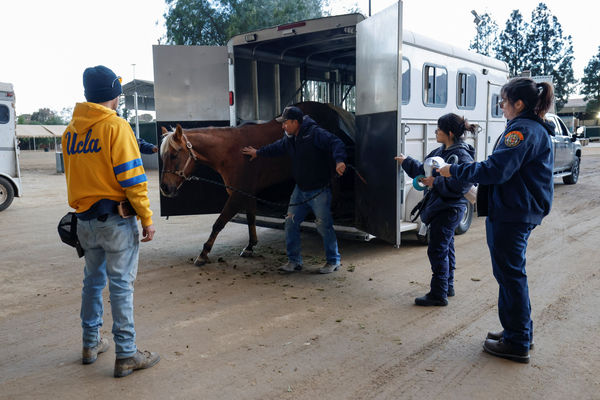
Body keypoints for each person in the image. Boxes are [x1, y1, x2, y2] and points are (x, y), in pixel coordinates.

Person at [438, 77, 555, 363]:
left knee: (511, 276)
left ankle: (517, 341)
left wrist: (454, 171)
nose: (500, 106)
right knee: (509, 275)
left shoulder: (523, 131)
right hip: (514, 209)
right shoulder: (526, 127)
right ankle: (517, 332)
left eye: (503, 101)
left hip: (513, 213)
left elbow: (496, 170)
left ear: (519, 103)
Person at [61, 65, 160, 377]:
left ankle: (90, 344)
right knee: (120, 286)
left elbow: (74, 178)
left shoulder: (70, 132)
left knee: (92, 283)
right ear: (113, 94)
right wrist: (146, 216)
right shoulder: (116, 127)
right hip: (116, 221)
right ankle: (127, 354)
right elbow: (132, 178)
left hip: (85, 222)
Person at [241, 106, 346, 274]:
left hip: (318, 191)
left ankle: (333, 261)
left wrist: (339, 161)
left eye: (285, 123)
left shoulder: (315, 134)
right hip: (300, 190)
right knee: (290, 223)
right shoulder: (290, 138)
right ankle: (294, 261)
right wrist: (258, 152)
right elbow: (276, 147)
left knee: (323, 226)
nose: (283, 126)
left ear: (295, 122)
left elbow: (336, 142)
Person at [395, 114, 476, 306]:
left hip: (449, 209)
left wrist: (435, 182)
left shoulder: (462, 155)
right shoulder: (442, 151)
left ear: (448, 132)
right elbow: (425, 171)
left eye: (438, 129)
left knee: (437, 250)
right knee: (446, 247)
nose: (435, 132)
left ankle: (438, 293)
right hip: (441, 207)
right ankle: (447, 287)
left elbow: (463, 184)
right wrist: (406, 161)